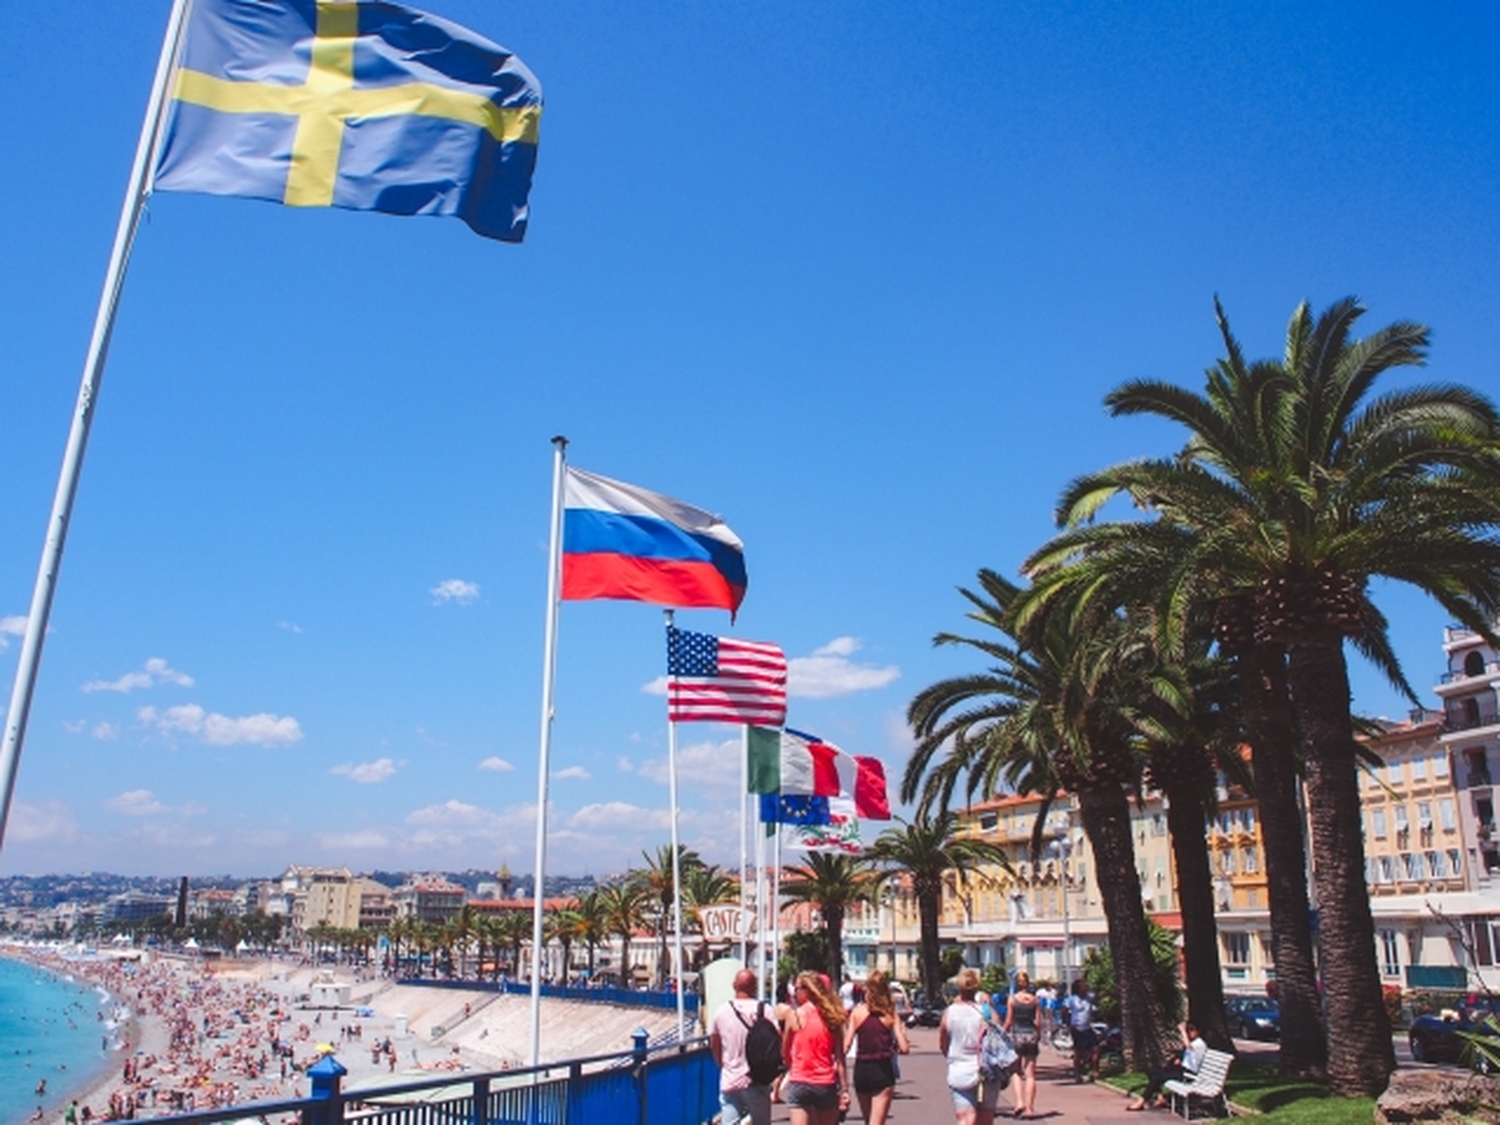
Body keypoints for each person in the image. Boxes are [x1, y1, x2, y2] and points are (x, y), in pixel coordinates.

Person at [781, 972, 849, 1125]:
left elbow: (785, 1051)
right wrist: (844, 1089)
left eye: (797, 989)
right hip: (824, 1081)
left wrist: (794, 1067)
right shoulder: (832, 1016)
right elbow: (840, 1058)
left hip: (799, 1080)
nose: (795, 993)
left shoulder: (795, 1015)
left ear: (807, 990)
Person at [843, 971, 909, 1125]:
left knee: (868, 1121)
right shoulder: (890, 1013)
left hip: (862, 1070)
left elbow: (846, 1044)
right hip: (882, 1069)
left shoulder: (857, 1013)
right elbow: (904, 1048)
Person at [709, 969, 775, 1125]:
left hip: (730, 1079)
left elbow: (714, 1044)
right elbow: (776, 1040)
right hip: (757, 1078)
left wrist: (723, 1066)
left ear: (734, 986)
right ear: (755, 987)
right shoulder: (765, 1010)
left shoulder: (721, 1012)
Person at [940, 968, 1000, 1125]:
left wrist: (953, 1057)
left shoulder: (949, 1013)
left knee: (965, 1119)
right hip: (987, 1070)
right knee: (985, 1119)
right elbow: (999, 1039)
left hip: (960, 1070)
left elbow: (943, 1045)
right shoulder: (987, 1012)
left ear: (959, 987)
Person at [1126, 1021, 1208, 1111]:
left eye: (1192, 1030)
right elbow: (1189, 1054)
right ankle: (1160, 1098)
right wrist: (1179, 1059)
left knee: (1157, 1077)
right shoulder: (1194, 1042)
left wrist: (1183, 1031)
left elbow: (1188, 1046)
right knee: (1152, 1071)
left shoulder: (1200, 1043)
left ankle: (1141, 1102)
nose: (1189, 1032)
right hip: (1182, 1070)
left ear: (1198, 1031)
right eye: (1188, 1030)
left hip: (1188, 1074)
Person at [1002, 972, 1040, 1118]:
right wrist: (1038, 1035)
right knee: (1030, 1074)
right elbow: (1038, 1022)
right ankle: (1030, 1108)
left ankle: (1019, 1102)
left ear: (1016, 983)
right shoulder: (1035, 1000)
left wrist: (1002, 1034)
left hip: (1017, 1035)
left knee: (1016, 1071)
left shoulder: (1012, 999)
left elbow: (1009, 1020)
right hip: (1031, 1035)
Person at [1061, 979, 1098, 1081]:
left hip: (1088, 1027)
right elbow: (1063, 1011)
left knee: (1095, 1049)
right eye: (1083, 987)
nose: (1086, 988)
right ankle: (1077, 1074)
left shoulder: (1089, 998)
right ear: (1078, 989)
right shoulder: (1071, 999)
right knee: (1078, 1052)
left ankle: (1094, 1071)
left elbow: (1099, 995)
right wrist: (1069, 1024)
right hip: (1077, 1028)